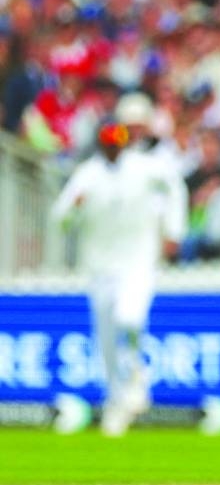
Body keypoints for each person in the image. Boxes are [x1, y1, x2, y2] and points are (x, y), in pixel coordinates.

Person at [50, 111, 187, 436]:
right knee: (107, 340)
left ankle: (136, 377)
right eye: (108, 141)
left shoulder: (144, 166)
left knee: (129, 318)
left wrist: (173, 230)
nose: (114, 147)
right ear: (100, 143)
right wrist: (75, 208)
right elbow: (60, 218)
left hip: (138, 261)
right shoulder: (87, 174)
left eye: (118, 141)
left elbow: (175, 188)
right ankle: (117, 401)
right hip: (100, 267)